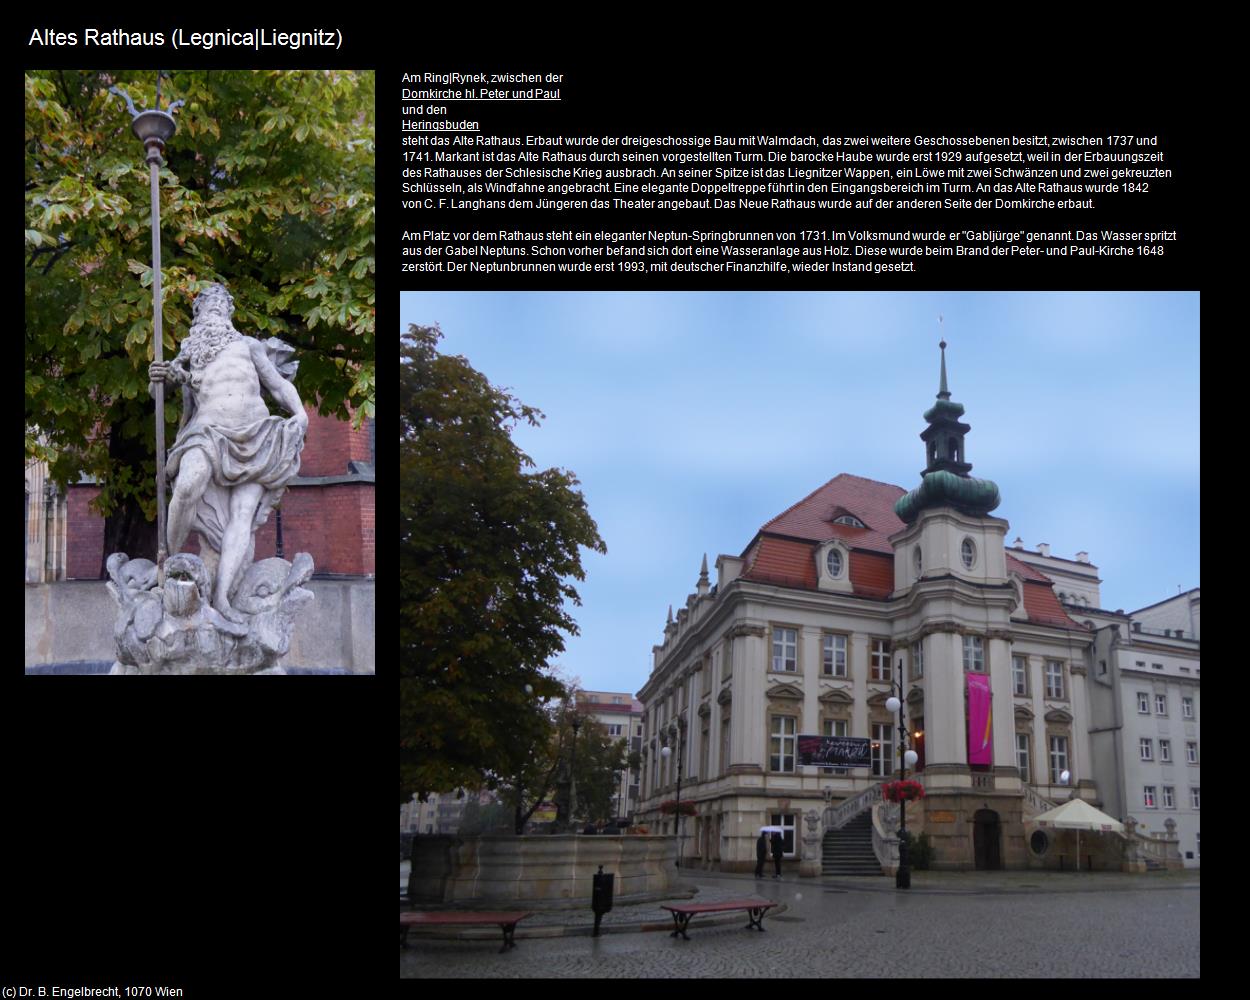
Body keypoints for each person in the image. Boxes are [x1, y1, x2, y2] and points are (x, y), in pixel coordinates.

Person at [149, 283, 307, 621]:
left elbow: (279, 387)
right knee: (188, 485)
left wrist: (301, 414)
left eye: (221, 304)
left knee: (243, 515)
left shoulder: (248, 346)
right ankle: (169, 564)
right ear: (198, 315)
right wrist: (158, 376)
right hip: (207, 431)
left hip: (256, 435)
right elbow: (158, 389)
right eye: (207, 304)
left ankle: (222, 595)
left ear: (229, 313)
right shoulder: (190, 351)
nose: (215, 309)